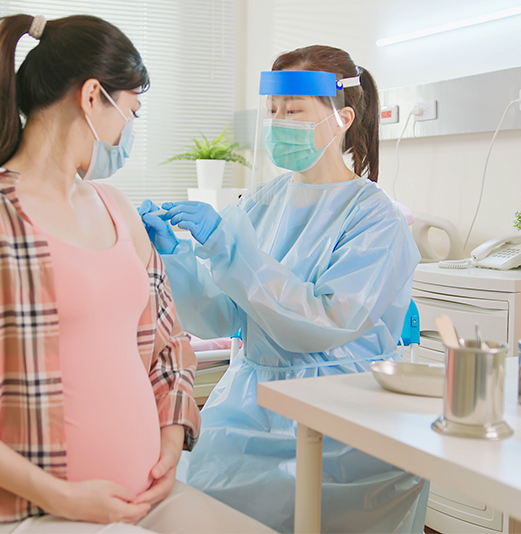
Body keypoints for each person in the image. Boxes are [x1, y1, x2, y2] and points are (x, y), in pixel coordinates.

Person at [0, 13, 272, 534]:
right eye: (130, 111)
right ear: (93, 97)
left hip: (147, 495)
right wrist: (65, 497)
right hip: (22, 511)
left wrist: (169, 445)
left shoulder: (116, 208)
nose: (128, 131)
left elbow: (169, 348)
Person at [138, 45, 430, 533]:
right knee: (181, 502)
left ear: (342, 118)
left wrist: (230, 248)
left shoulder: (374, 217)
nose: (279, 123)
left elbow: (322, 323)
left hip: (338, 415)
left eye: (293, 111)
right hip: (247, 406)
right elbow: (221, 315)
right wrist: (177, 259)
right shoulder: (260, 202)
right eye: (273, 111)